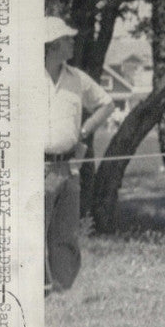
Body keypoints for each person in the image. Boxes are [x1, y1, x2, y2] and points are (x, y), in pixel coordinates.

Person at [44, 16, 115, 295]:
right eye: (67, 40)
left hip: (67, 168)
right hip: (34, 168)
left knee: (65, 234)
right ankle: (38, 292)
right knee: (33, 233)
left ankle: (62, 290)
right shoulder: (25, 78)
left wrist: (82, 131)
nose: (73, 43)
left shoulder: (77, 79)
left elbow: (107, 104)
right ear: (51, 46)